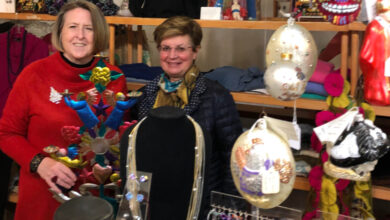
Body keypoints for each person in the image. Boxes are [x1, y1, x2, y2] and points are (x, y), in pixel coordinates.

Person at [0, 1, 128, 219]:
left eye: (89, 28)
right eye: (72, 27)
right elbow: (6, 134)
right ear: (59, 32)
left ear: (98, 34)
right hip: (43, 199)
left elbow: (115, 139)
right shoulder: (33, 75)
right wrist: (40, 162)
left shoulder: (114, 79)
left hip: (95, 203)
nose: (80, 35)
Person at [128, 16, 243, 218]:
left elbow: (233, 159)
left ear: (195, 51)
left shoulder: (216, 96)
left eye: (181, 48)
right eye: (165, 48)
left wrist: (229, 209)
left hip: (200, 205)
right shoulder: (148, 94)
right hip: (155, 203)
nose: (172, 56)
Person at [360, 0, 390, 105]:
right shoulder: (374, 27)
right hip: (379, 60)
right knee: (380, 81)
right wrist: (370, 62)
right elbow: (366, 53)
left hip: (387, 58)